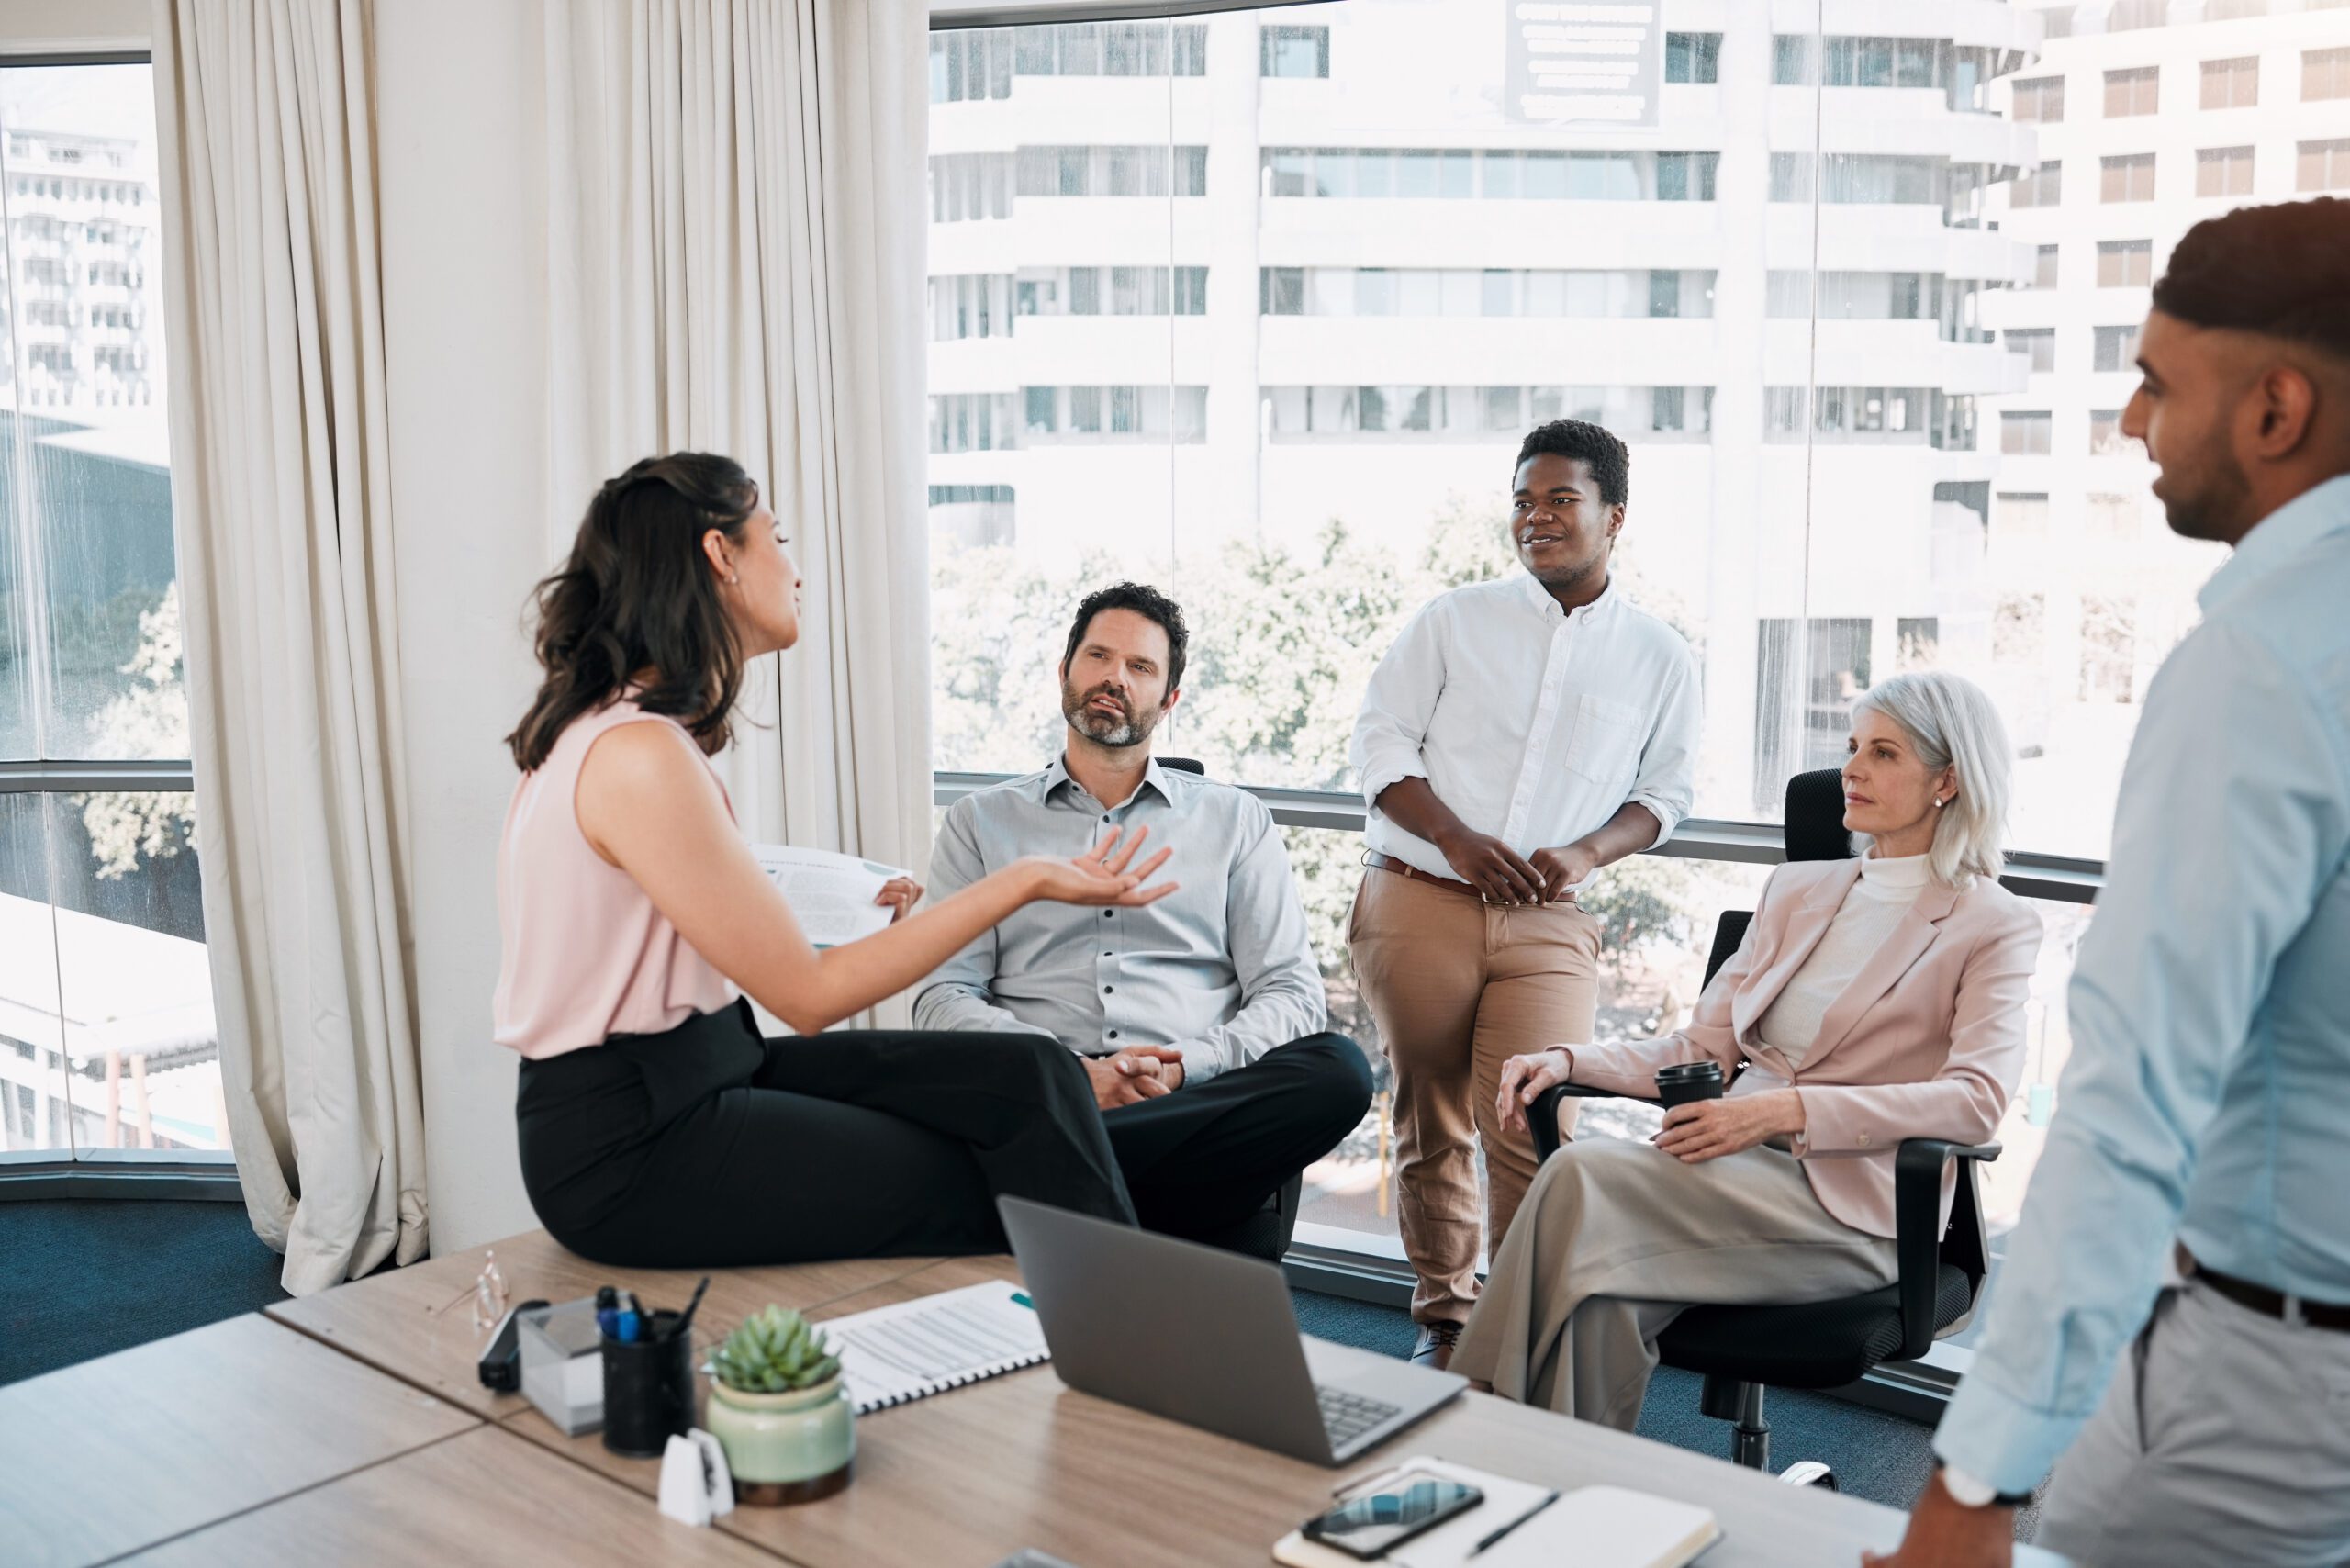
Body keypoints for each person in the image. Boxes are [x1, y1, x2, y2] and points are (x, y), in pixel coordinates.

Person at [1873, 200, 2350, 1568]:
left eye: (2155, 380)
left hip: (2270, 1398)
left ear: (2275, 407)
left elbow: (2132, 1106)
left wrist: (1971, 1487)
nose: (2133, 424)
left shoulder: (2264, 668)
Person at [496, 454, 1178, 1268]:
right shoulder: (637, 752)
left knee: (1028, 1072)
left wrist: (837, 913)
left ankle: (1134, 1313)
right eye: (774, 539)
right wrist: (1025, 880)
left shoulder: (626, 734)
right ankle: (1135, 1351)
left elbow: (675, 937)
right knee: (998, 1171)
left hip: (711, 1065)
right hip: (629, 1141)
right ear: (721, 556)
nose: (793, 570)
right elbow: (812, 999)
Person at [1453, 671, 2042, 1428]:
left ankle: (1469, 1421)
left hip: (1856, 1214)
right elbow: (1701, 1047)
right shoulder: (1796, 891)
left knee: (1581, 1171)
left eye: (1885, 753)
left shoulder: (1991, 923)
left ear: (1948, 781)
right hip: (1726, 1181)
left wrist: (1782, 1112)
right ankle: (1573, 1514)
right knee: (1600, 1300)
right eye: (1853, 746)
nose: (1852, 770)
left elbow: (1976, 1101)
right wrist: (1571, 1060)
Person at [1348, 418, 1702, 1367]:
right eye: (1522, 501)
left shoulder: (1661, 656)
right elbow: (1379, 741)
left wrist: (1587, 851)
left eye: (1559, 500)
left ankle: (1517, 1338)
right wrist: (1456, 839)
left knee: (1539, 1120)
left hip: (1548, 920)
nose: (1534, 519)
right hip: (1418, 893)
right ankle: (1446, 1320)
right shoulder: (1452, 619)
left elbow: (1665, 794)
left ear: (1612, 516)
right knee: (1431, 1118)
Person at [914, 583, 1374, 1248]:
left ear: (1169, 699)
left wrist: (1182, 1067)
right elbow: (943, 996)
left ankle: (1072, 1175)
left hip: (1187, 1094)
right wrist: (1073, 1073)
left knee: (1339, 1070)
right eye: (1097, 656)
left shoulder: (1236, 820)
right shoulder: (979, 823)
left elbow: (1292, 994)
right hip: (1045, 1096)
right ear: (1065, 671)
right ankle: (1124, 1172)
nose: (1113, 678)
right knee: (912, 1069)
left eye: (1140, 667)